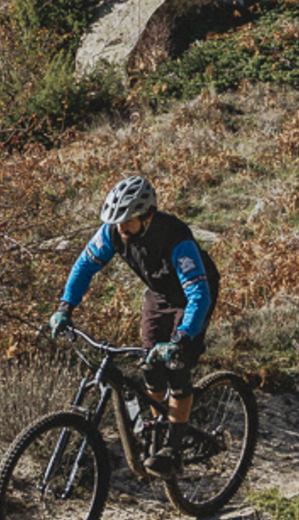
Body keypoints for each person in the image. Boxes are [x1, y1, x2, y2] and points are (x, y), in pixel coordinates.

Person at [46, 175, 217, 459]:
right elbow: (84, 267)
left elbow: (199, 295)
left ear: (147, 216)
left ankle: (172, 449)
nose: (120, 226)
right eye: (116, 220)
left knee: (176, 366)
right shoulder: (113, 232)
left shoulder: (176, 238)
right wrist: (65, 307)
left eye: (127, 220)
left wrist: (181, 337)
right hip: (159, 294)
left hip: (193, 296)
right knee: (150, 366)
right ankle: (156, 427)